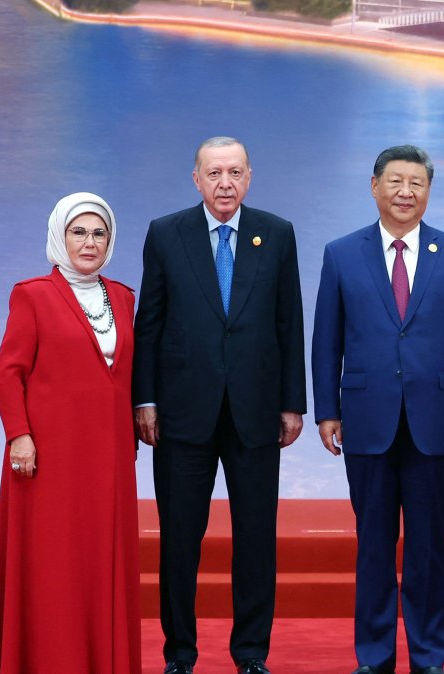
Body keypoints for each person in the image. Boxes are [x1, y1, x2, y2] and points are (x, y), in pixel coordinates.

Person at [311, 145, 444, 674]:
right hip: (366, 420)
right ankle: (373, 657)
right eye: (395, 181)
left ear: (429, 191)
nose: (405, 192)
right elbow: (327, 341)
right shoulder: (342, 253)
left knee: (429, 548)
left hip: (437, 421)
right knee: (372, 546)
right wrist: (327, 409)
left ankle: (429, 656)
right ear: (374, 187)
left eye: (416, 183)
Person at [132, 137, 306, 674]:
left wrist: (292, 403)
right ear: (196, 179)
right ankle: (180, 655)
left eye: (234, 172)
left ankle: (251, 653)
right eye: (214, 173)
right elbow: (150, 323)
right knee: (180, 540)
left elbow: (289, 321)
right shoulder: (166, 233)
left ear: (249, 177)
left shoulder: (276, 233)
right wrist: (145, 398)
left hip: (256, 412)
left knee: (256, 539)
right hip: (183, 413)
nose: (224, 183)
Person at [0, 192, 141, 674]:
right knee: (53, 565)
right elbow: (9, 372)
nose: (89, 243)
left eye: (99, 233)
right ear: (59, 236)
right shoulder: (31, 294)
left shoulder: (124, 297)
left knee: (100, 564)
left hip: (108, 457)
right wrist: (19, 436)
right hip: (46, 456)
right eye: (78, 232)